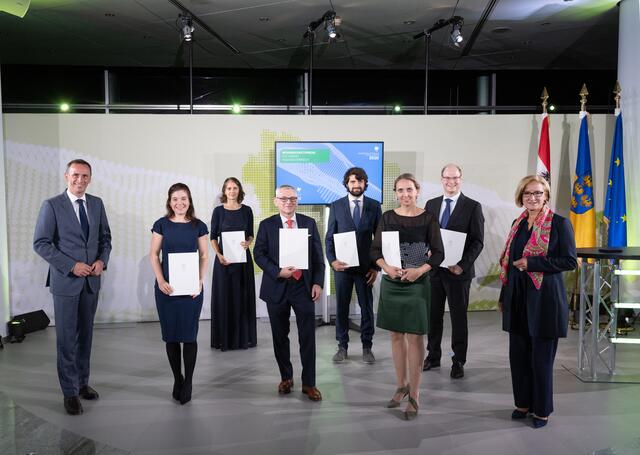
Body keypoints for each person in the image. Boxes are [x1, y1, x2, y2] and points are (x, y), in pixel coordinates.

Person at [33, 159, 112, 415]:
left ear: (90, 178)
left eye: (85, 176)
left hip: (91, 282)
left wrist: (102, 260)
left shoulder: (97, 204)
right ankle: (69, 393)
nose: (80, 180)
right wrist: (71, 265)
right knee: (66, 339)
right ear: (66, 176)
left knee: (85, 337)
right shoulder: (52, 206)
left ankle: (82, 383)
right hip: (66, 282)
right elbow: (42, 243)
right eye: (76, 175)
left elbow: (106, 239)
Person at [498, 175, 576, 428]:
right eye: (527, 194)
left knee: (540, 359)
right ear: (521, 197)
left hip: (544, 300)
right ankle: (523, 403)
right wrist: (503, 295)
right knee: (518, 355)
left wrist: (533, 263)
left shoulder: (559, 224)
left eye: (538, 193)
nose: (532, 198)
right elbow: (509, 263)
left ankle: (541, 410)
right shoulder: (517, 223)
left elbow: (569, 261)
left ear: (546, 196)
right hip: (518, 297)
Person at [371, 173, 444, 420]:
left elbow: (438, 254)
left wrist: (419, 271)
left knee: (414, 336)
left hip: (417, 281)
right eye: (400, 190)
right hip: (392, 281)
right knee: (395, 335)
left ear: (417, 191)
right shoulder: (387, 217)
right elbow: (375, 250)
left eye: (409, 190)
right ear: (396, 193)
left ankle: (415, 394)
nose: (405, 194)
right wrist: (386, 267)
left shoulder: (428, 218)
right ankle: (401, 385)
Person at [253, 185, 325, 401]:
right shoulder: (267, 225)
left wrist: (318, 283)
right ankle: (286, 377)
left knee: (307, 337)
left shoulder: (309, 223)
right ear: (276, 201)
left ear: (297, 201)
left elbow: (318, 257)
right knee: (280, 336)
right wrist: (278, 271)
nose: (288, 202)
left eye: (293, 198)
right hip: (276, 287)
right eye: (284, 198)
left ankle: (309, 383)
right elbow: (259, 254)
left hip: (303, 287)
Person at [150, 183, 209, 405]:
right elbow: (154, 255)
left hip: (191, 290)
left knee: (189, 336)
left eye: (183, 198)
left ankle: (189, 381)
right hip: (167, 289)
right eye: (175, 199)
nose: (179, 203)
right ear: (169, 202)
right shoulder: (161, 224)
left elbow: (204, 256)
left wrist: (200, 281)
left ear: (189, 201)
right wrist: (161, 280)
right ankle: (177, 379)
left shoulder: (199, 226)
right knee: (171, 336)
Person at [423, 164, 484, 378]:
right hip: (435, 272)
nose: (451, 181)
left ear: (461, 179)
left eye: (455, 177)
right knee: (433, 317)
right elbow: (426, 236)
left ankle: (458, 360)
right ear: (441, 179)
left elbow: (478, 242)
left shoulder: (473, 206)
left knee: (458, 319)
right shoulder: (431, 204)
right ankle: (433, 356)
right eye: (447, 178)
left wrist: (462, 265)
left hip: (459, 273)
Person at [325, 167, 382, 364]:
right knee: (341, 307)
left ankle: (367, 347)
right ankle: (342, 346)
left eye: (359, 181)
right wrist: (332, 261)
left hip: (366, 268)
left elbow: (379, 240)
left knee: (367, 308)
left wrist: (376, 268)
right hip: (343, 268)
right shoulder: (336, 206)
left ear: (365, 183)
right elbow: (329, 239)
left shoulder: (374, 206)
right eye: (352, 182)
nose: (356, 185)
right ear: (346, 184)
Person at [210, 177, 257, 351]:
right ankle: (224, 338)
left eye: (235, 188)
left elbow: (250, 234)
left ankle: (244, 338)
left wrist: (248, 242)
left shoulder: (247, 211)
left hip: (243, 261)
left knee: (243, 296)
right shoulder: (218, 211)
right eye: (229, 188)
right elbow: (213, 236)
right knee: (225, 297)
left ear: (239, 190)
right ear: (224, 191)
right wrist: (219, 254)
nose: (232, 191)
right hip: (224, 261)